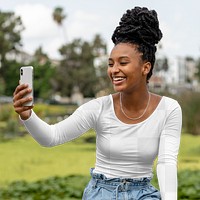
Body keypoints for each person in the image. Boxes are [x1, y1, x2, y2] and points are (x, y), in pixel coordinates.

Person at [13, 6, 182, 200]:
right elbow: (52, 137)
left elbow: (166, 162)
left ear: (145, 67)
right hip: (101, 193)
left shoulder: (169, 109)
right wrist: (27, 115)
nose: (114, 70)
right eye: (111, 64)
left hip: (143, 194)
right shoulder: (99, 108)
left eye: (123, 62)